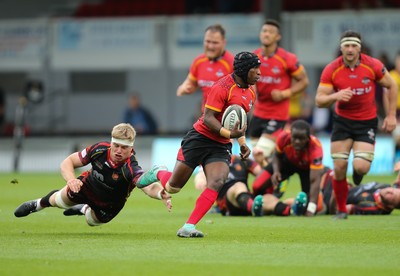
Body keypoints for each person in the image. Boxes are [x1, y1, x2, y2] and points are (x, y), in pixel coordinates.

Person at [159, 52, 260, 238]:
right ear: (245, 70)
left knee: (217, 181)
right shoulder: (221, 87)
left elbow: (239, 123)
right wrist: (230, 134)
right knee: (174, 186)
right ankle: (157, 172)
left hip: (220, 145)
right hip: (199, 138)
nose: (259, 73)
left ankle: (188, 226)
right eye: (256, 69)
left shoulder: (251, 91)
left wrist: (243, 144)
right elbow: (208, 119)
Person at [14, 123, 172, 226]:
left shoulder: (131, 167)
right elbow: (67, 163)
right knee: (59, 201)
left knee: (91, 221)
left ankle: (83, 208)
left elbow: (146, 186)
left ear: (131, 148)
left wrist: (160, 193)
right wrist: (70, 180)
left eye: (124, 148)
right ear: (111, 143)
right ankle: (37, 204)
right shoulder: (99, 149)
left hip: (110, 205)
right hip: (86, 186)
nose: (118, 151)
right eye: (116, 145)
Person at [315, 30, 398, 219]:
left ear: (359, 48)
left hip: (365, 123)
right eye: (346, 45)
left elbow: (391, 85)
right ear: (341, 47)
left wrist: (391, 115)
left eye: (354, 46)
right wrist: (336, 96)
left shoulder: (373, 65)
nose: (350, 49)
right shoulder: (332, 69)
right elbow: (319, 100)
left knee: (360, 167)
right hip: (342, 122)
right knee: (339, 167)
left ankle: (358, 177)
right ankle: (342, 209)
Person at [249, 19, 309, 166]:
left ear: (278, 37)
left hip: (278, 114)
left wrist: (285, 94)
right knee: (262, 159)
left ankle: (276, 177)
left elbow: (304, 81)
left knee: (259, 153)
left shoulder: (287, 58)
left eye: (271, 32)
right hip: (258, 113)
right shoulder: (253, 57)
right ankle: (277, 179)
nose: (266, 34)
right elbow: (248, 81)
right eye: (264, 31)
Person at [251, 119, 324, 217]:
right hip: (286, 163)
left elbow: (315, 180)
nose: (297, 142)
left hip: (305, 170)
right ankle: (270, 200)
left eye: (301, 139)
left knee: (312, 206)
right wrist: (276, 171)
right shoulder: (284, 136)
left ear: (308, 138)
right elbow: (277, 155)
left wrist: (311, 208)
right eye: (295, 138)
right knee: (257, 186)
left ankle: (287, 206)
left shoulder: (315, 148)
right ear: (291, 135)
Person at [263, 166, 400, 216]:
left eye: (393, 197)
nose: (391, 191)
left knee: (308, 202)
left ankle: (273, 205)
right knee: (314, 168)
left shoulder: (371, 207)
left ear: (390, 206)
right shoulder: (386, 187)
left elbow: (338, 210)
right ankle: (278, 179)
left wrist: (337, 193)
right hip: (333, 182)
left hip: (331, 199)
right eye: (394, 190)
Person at [215, 154, 307, 217]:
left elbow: (262, 175)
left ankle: (291, 210)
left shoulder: (242, 160)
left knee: (268, 198)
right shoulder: (212, 163)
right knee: (238, 186)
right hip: (227, 204)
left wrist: (262, 162)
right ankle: (253, 208)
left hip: (246, 199)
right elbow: (201, 181)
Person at [176, 24, 234, 112]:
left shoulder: (232, 63)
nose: (210, 46)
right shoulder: (199, 61)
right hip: (206, 116)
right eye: (208, 41)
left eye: (215, 43)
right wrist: (185, 89)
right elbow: (187, 85)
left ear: (224, 42)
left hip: (226, 117)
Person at [389, 51, 400, 163]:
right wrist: (390, 114)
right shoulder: (391, 76)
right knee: (398, 138)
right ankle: (395, 159)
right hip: (396, 111)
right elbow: (385, 96)